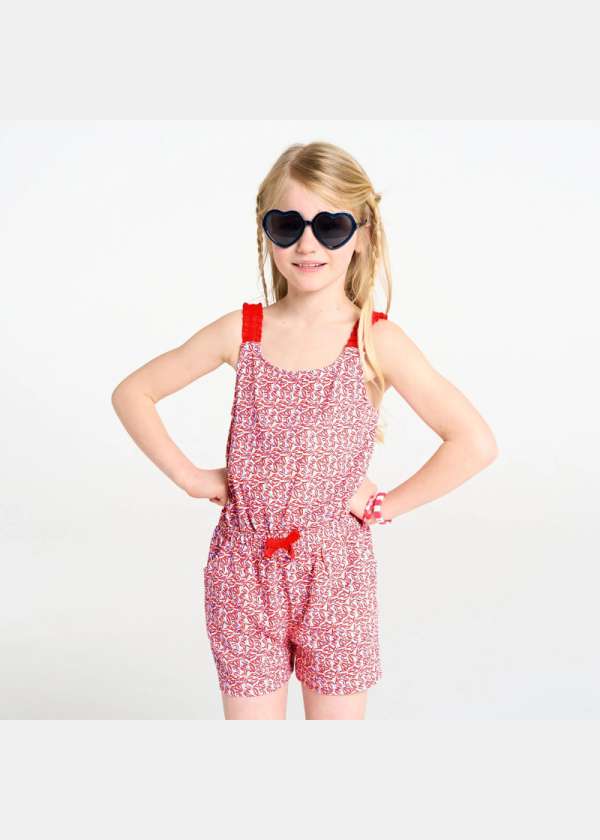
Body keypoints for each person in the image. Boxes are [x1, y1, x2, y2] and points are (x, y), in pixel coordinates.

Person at [111, 141, 498, 721]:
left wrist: (385, 505)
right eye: (287, 225)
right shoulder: (241, 331)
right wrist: (190, 477)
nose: (307, 244)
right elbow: (134, 392)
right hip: (242, 572)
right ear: (266, 230)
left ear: (362, 234)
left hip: (335, 577)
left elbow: (473, 442)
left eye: (331, 226)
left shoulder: (375, 340)